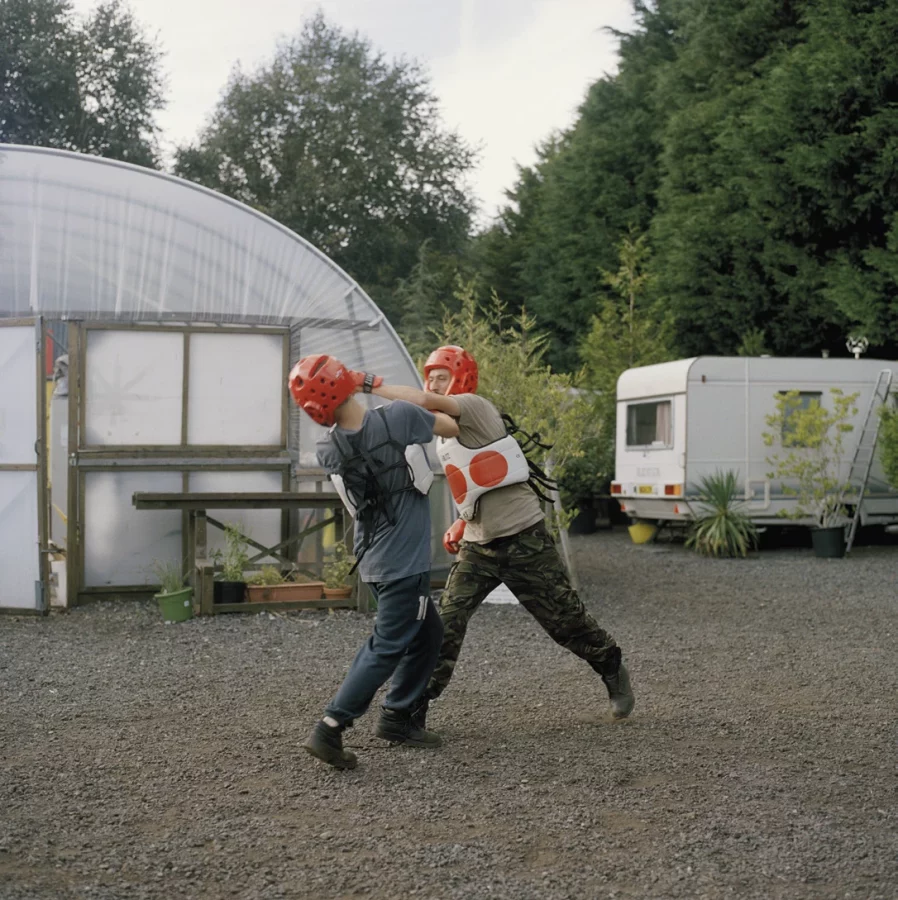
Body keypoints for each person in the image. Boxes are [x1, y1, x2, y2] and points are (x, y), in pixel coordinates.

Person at [362, 345, 635, 727]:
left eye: (442, 377)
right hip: (477, 545)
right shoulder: (442, 432)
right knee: (445, 626)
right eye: (430, 376)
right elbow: (472, 479)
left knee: (566, 623)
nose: (433, 383)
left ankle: (611, 664)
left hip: (522, 536)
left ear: (461, 379)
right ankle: (407, 712)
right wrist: (461, 520)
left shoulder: (473, 405)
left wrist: (372, 385)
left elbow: (421, 403)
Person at [288, 354, 459, 770]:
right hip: (404, 563)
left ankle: (398, 717)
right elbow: (451, 424)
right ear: (345, 382)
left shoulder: (329, 447)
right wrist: (373, 384)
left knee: (429, 634)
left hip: (374, 558)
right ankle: (330, 727)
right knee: (386, 645)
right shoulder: (398, 418)